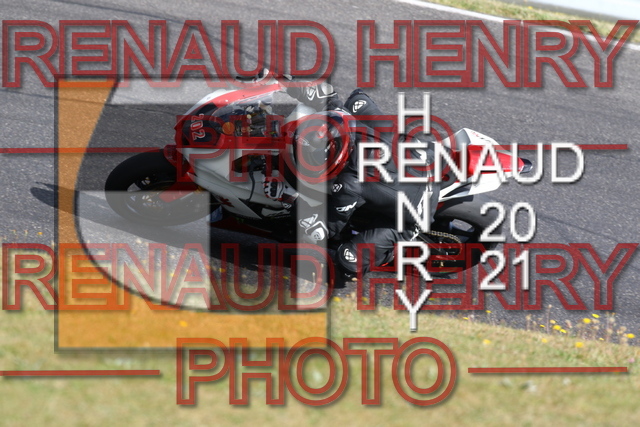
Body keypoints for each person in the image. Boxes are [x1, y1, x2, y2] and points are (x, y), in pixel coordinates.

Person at [263, 79, 440, 288]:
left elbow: (326, 229)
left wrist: (288, 198)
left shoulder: (350, 185)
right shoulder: (350, 119)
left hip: (416, 212)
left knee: (347, 261)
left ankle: (390, 252)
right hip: (428, 160)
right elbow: (334, 96)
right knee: (358, 104)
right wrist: (288, 84)